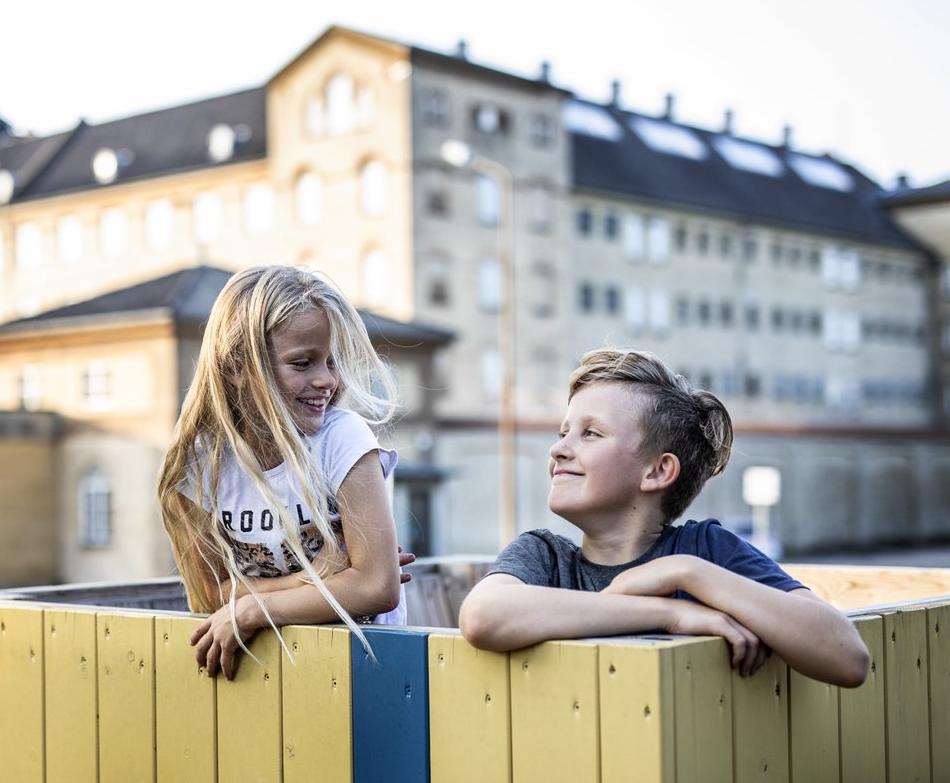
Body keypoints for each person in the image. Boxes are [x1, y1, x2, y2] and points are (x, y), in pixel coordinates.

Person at [458, 348, 870, 687]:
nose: (559, 449)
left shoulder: (704, 552)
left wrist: (686, 573)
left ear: (656, 471)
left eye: (590, 433)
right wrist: (671, 614)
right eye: (562, 432)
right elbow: (482, 618)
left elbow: (847, 658)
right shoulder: (543, 556)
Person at [157, 264, 410, 680]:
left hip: (362, 671)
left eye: (330, 361)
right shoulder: (200, 463)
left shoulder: (343, 440)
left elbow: (377, 587)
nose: (326, 380)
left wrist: (253, 607)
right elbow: (209, 595)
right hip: (257, 676)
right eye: (303, 363)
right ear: (236, 366)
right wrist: (317, 579)